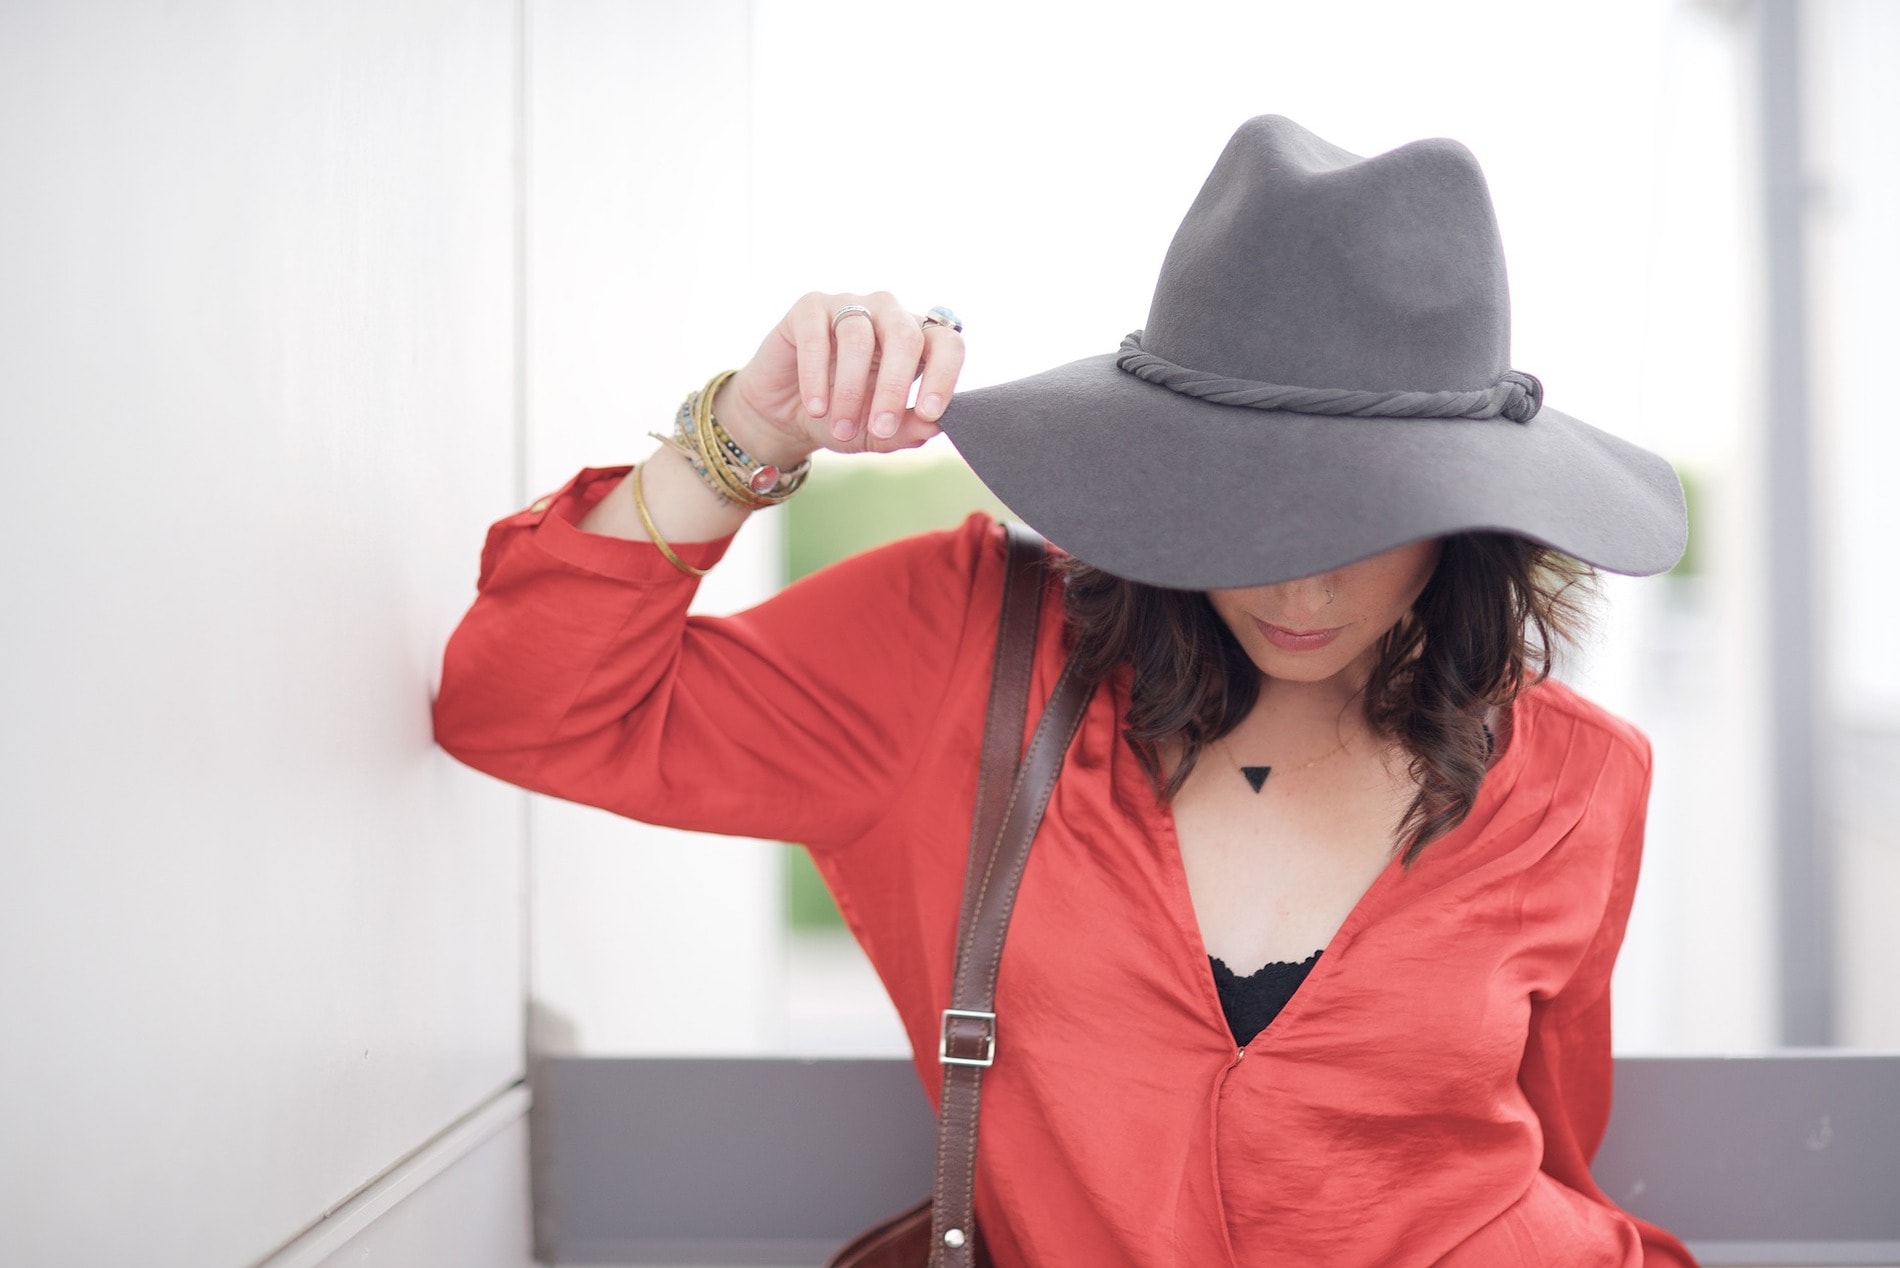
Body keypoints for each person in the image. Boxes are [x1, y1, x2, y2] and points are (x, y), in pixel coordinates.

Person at [434, 116, 1698, 1266]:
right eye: (1252, 501)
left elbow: (1548, 1142)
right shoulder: (964, 652)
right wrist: (749, 432)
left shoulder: (1581, 777)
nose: (1303, 584)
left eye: (1373, 515)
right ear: (1168, 459)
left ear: (1469, 512)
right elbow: (531, 706)